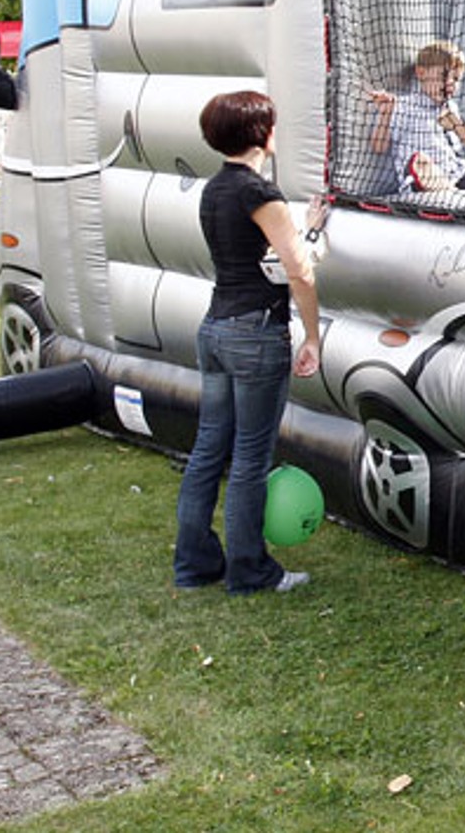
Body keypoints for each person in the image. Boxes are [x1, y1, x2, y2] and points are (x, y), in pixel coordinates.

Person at [174, 91, 322, 595]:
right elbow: (297, 270)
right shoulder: (262, 193)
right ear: (263, 133)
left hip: (215, 328)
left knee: (209, 448)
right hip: (255, 334)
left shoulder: (216, 189)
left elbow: (266, 256)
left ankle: (194, 565)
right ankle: (250, 570)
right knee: (251, 457)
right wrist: (313, 337)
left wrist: (308, 232)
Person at [368, 39, 465, 193]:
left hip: (458, 174)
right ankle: (448, 191)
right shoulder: (403, 106)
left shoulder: (451, 108)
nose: (450, 83)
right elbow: (379, 147)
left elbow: (456, 148)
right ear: (421, 73)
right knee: (420, 162)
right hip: (427, 174)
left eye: (456, 79)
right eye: (443, 75)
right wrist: (386, 114)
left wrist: (454, 126)